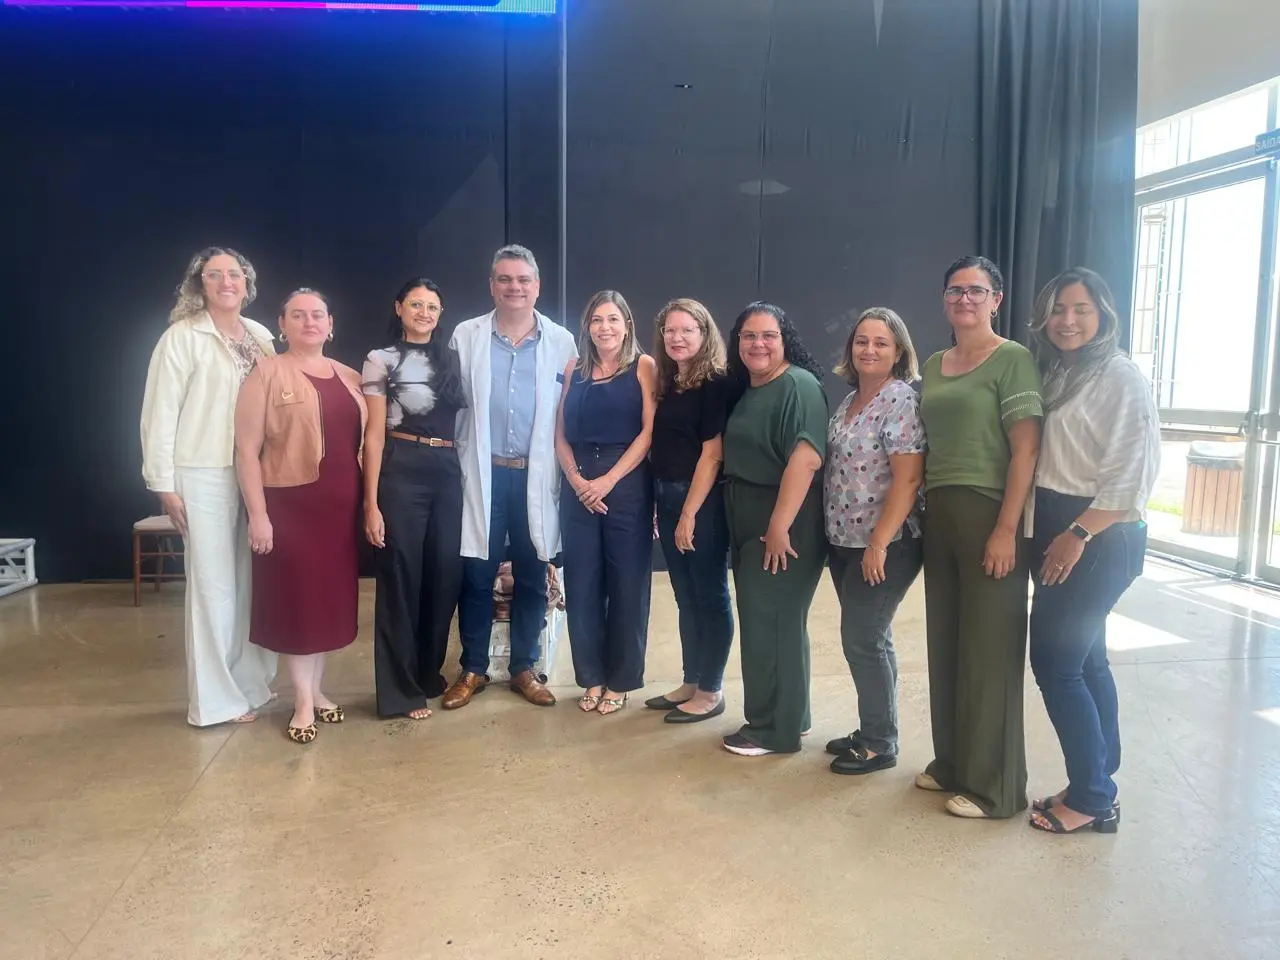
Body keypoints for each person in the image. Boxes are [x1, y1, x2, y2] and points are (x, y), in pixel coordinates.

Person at [1025, 268, 1159, 835]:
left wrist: (1077, 534)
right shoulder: (1062, 373)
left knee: (1055, 664)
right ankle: (1099, 776)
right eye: (1058, 310)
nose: (1068, 320)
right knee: (1087, 660)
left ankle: (1092, 798)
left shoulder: (1121, 376)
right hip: (1063, 523)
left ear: (1103, 313)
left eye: (1080, 309)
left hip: (1099, 534)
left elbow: (1133, 476)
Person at [918, 255, 1043, 819]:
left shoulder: (1012, 359)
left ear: (995, 299)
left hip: (989, 512)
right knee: (947, 643)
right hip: (939, 512)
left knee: (989, 653)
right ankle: (954, 765)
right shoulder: (935, 361)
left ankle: (996, 789)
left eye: (976, 290)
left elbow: (1027, 450)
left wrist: (1006, 529)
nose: (964, 299)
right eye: (954, 290)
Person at [140, 247, 278, 727]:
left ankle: (248, 682)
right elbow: (159, 413)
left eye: (234, 274)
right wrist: (164, 484)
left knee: (247, 584)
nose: (226, 281)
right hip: (202, 473)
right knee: (213, 588)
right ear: (199, 283)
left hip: (254, 474)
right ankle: (215, 701)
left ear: (247, 283)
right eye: (214, 274)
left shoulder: (260, 336)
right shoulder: (181, 338)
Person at [445, 244, 578, 710]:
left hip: (535, 477)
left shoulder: (561, 342)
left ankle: (524, 665)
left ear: (537, 286)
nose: (514, 287)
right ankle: (474, 667)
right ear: (491, 285)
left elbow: (569, 412)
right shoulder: (467, 336)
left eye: (523, 280)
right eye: (505, 279)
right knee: (477, 573)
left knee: (532, 571)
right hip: (482, 473)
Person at [234, 288, 367, 744]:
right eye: (299, 315)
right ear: (282, 323)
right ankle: (303, 701)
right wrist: (259, 514)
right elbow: (246, 451)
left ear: (331, 324)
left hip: (339, 512)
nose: (310, 322)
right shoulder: (266, 374)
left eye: (318, 315)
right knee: (299, 605)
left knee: (327, 604)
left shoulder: (350, 377)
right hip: (290, 510)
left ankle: (318, 689)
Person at [720, 302, 828, 756]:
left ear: (785, 340)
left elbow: (806, 459)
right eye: (749, 336)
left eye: (768, 335)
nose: (758, 344)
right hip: (749, 515)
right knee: (777, 623)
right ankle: (792, 715)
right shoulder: (751, 388)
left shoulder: (798, 387)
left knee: (770, 625)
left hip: (784, 522)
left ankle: (771, 730)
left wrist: (779, 526)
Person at [823, 308, 926, 775]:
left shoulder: (899, 399)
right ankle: (872, 728)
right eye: (861, 341)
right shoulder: (847, 403)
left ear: (899, 351)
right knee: (871, 639)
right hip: (843, 541)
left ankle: (880, 743)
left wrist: (879, 543)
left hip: (885, 545)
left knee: (863, 638)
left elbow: (907, 480)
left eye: (881, 343)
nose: (869, 350)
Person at [363, 279, 468, 720]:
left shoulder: (452, 359)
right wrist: (370, 503)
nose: (425, 312)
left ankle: (428, 674)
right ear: (399, 307)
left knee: (444, 579)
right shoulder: (380, 359)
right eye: (417, 304)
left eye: (433, 306)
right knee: (401, 579)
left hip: (447, 472)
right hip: (401, 468)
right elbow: (371, 433)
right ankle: (400, 690)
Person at [555, 291, 658, 715]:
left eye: (613, 319)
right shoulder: (573, 368)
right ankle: (592, 677)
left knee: (627, 586)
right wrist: (578, 480)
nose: (605, 328)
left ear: (627, 324)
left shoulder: (644, 366)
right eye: (597, 320)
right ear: (587, 327)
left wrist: (609, 481)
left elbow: (648, 432)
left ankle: (621, 679)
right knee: (582, 586)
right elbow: (559, 432)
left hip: (627, 482)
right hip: (578, 485)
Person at [645, 298, 738, 723]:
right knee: (685, 598)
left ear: (705, 334)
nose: (677, 338)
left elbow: (712, 454)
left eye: (687, 330)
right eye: (670, 331)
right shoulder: (670, 383)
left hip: (700, 502)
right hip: (665, 496)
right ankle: (691, 679)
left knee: (710, 596)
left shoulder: (715, 383)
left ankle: (711, 690)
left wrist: (688, 515)